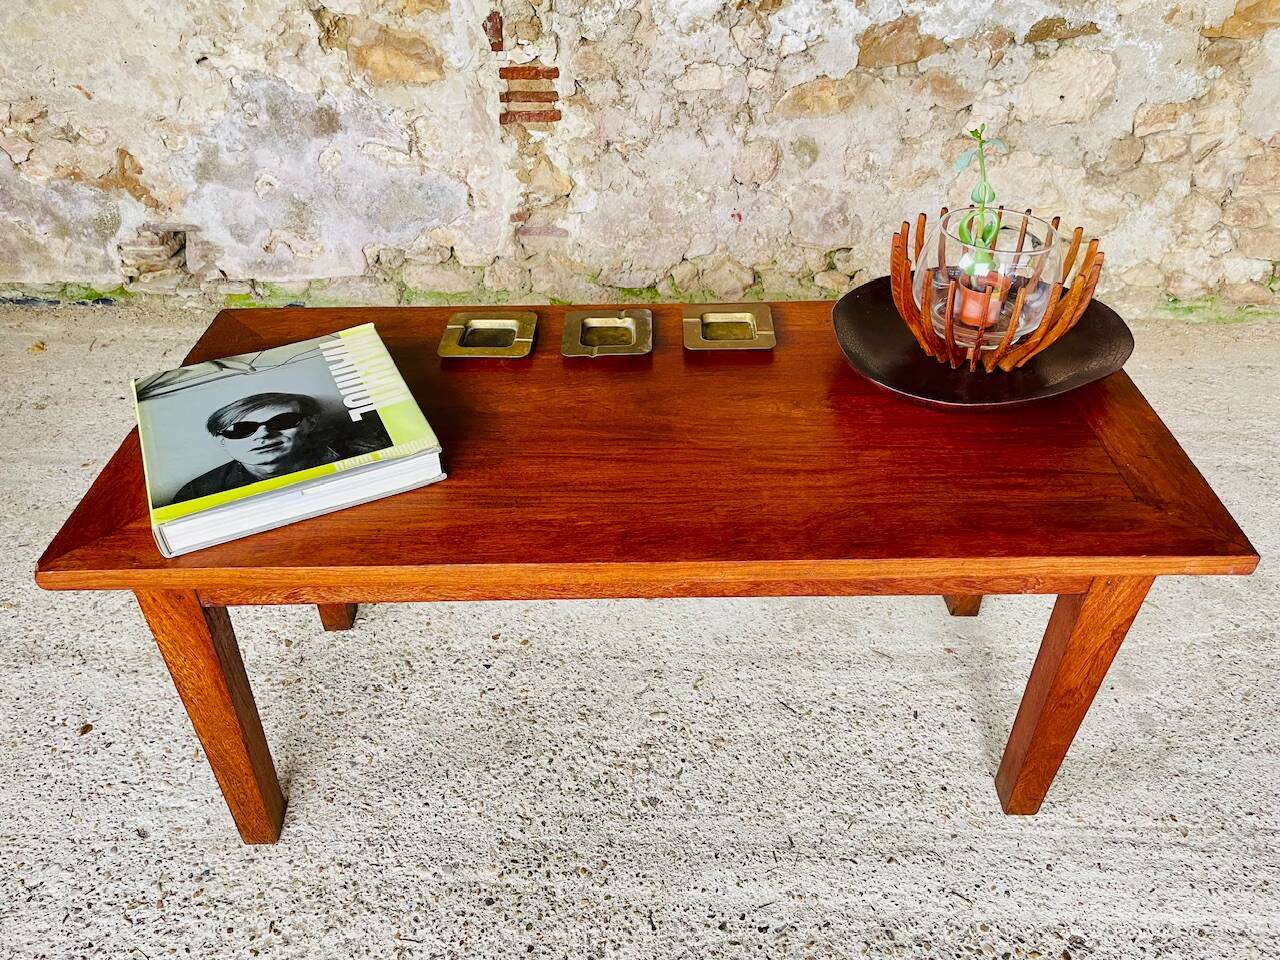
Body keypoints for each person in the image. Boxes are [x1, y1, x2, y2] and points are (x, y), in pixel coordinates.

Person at [170, 392, 390, 504]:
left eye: (282, 421)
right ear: (222, 441)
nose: (263, 434)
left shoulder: (369, 452)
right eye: (240, 429)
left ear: (310, 423)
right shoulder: (197, 493)